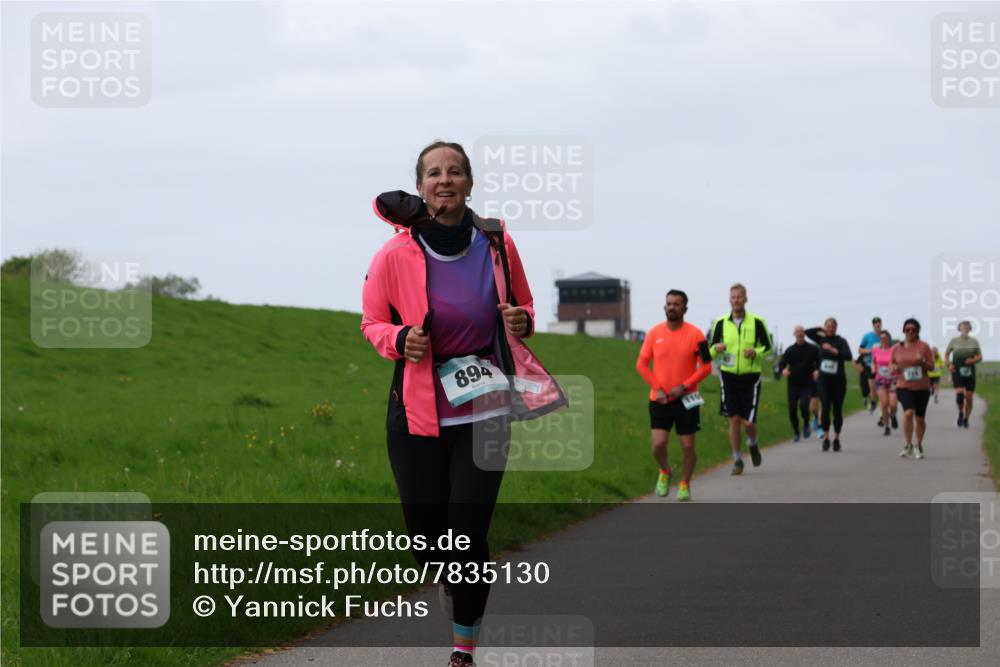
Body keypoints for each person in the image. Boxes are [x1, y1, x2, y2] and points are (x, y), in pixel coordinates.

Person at [361, 141, 566, 667]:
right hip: (417, 409)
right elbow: (372, 323)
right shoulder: (394, 253)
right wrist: (399, 338)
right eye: (434, 173)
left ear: (470, 184)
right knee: (431, 544)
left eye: (455, 172)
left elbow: (522, 305)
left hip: (486, 404)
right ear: (421, 186)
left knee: (467, 531)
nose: (444, 180)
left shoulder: (496, 243)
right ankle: (449, 578)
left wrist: (521, 320)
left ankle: (462, 649)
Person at [636, 290, 713, 501]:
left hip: (687, 399)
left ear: (685, 308)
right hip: (659, 399)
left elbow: (706, 367)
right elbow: (641, 365)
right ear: (664, 307)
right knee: (658, 445)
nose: (672, 307)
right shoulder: (653, 334)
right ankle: (664, 471)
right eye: (669, 303)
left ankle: (685, 483)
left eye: (677, 304)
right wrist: (657, 387)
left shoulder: (697, 335)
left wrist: (685, 385)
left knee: (688, 445)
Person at [708, 283, 773, 475]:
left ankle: (752, 443)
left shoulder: (757, 321)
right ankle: (737, 459)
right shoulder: (720, 323)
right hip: (728, 376)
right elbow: (709, 351)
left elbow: (768, 347)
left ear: (746, 299)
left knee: (749, 423)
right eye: (733, 297)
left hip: (750, 377)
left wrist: (757, 352)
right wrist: (716, 349)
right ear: (729, 299)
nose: (736, 300)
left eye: (739, 297)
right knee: (734, 419)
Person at [805, 318, 853, 452]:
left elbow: (848, 356)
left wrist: (833, 350)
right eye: (828, 326)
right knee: (825, 408)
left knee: (837, 410)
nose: (830, 328)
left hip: (838, 381)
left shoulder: (841, 341)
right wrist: (820, 328)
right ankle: (826, 437)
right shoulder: (821, 339)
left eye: (833, 326)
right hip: (823, 381)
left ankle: (836, 438)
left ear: (836, 328)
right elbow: (807, 332)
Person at [892, 318, 934, 459]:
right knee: (908, 413)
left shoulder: (924, 347)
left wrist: (922, 362)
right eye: (907, 329)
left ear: (918, 331)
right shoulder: (897, 347)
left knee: (920, 418)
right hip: (904, 386)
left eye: (913, 329)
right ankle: (908, 444)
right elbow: (892, 363)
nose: (910, 332)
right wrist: (894, 367)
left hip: (922, 387)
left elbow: (931, 366)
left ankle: (918, 445)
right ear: (904, 331)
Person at [778, 325, 820, 442]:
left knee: (804, 406)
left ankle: (806, 423)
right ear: (794, 334)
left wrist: (817, 370)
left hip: (807, 383)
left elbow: (819, 361)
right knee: (792, 411)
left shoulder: (812, 349)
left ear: (804, 334)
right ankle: (796, 432)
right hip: (793, 385)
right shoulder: (790, 350)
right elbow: (782, 363)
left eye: (801, 331)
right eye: (797, 332)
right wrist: (784, 370)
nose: (800, 334)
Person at [946, 320, 984, 429]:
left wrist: (973, 360)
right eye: (963, 327)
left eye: (967, 327)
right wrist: (949, 364)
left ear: (969, 329)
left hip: (970, 372)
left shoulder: (974, 342)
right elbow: (947, 354)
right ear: (959, 329)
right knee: (959, 396)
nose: (965, 329)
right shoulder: (954, 341)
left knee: (969, 397)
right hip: (957, 371)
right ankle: (960, 413)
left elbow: (980, 356)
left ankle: (967, 418)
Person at [870, 329, 899, 437]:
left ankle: (893, 415)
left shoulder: (894, 350)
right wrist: (873, 368)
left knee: (893, 404)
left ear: (889, 339)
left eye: (885, 338)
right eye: (881, 338)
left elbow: (898, 362)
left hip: (893, 380)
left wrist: (895, 366)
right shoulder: (876, 350)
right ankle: (887, 426)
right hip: (881, 380)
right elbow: (873, 362)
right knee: (884, 404)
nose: (883, 340)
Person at [858, 317, 884, 414]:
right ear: (873, 325)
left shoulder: (884, 336)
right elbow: (860, 350)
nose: (877, 325)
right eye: (875, 323)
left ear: (881, 324)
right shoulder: (867, 336)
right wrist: (869, 351)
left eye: (879, 323)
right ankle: (873, 402)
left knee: (882, 390)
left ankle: (882, 414)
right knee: (873, 391)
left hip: (882, 366)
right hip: (870, 365)